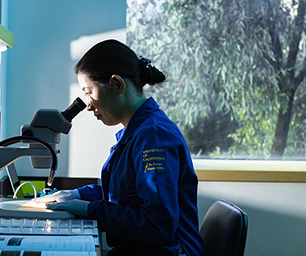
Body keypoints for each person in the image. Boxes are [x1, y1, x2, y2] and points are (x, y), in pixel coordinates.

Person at [38, 39, 205, 256]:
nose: (87, 105)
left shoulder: (153, 137)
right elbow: (124, 197)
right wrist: (78, 194)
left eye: (89, 92)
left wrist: (91, 209)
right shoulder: (137, 132)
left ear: (117, 85)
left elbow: (158, 226)